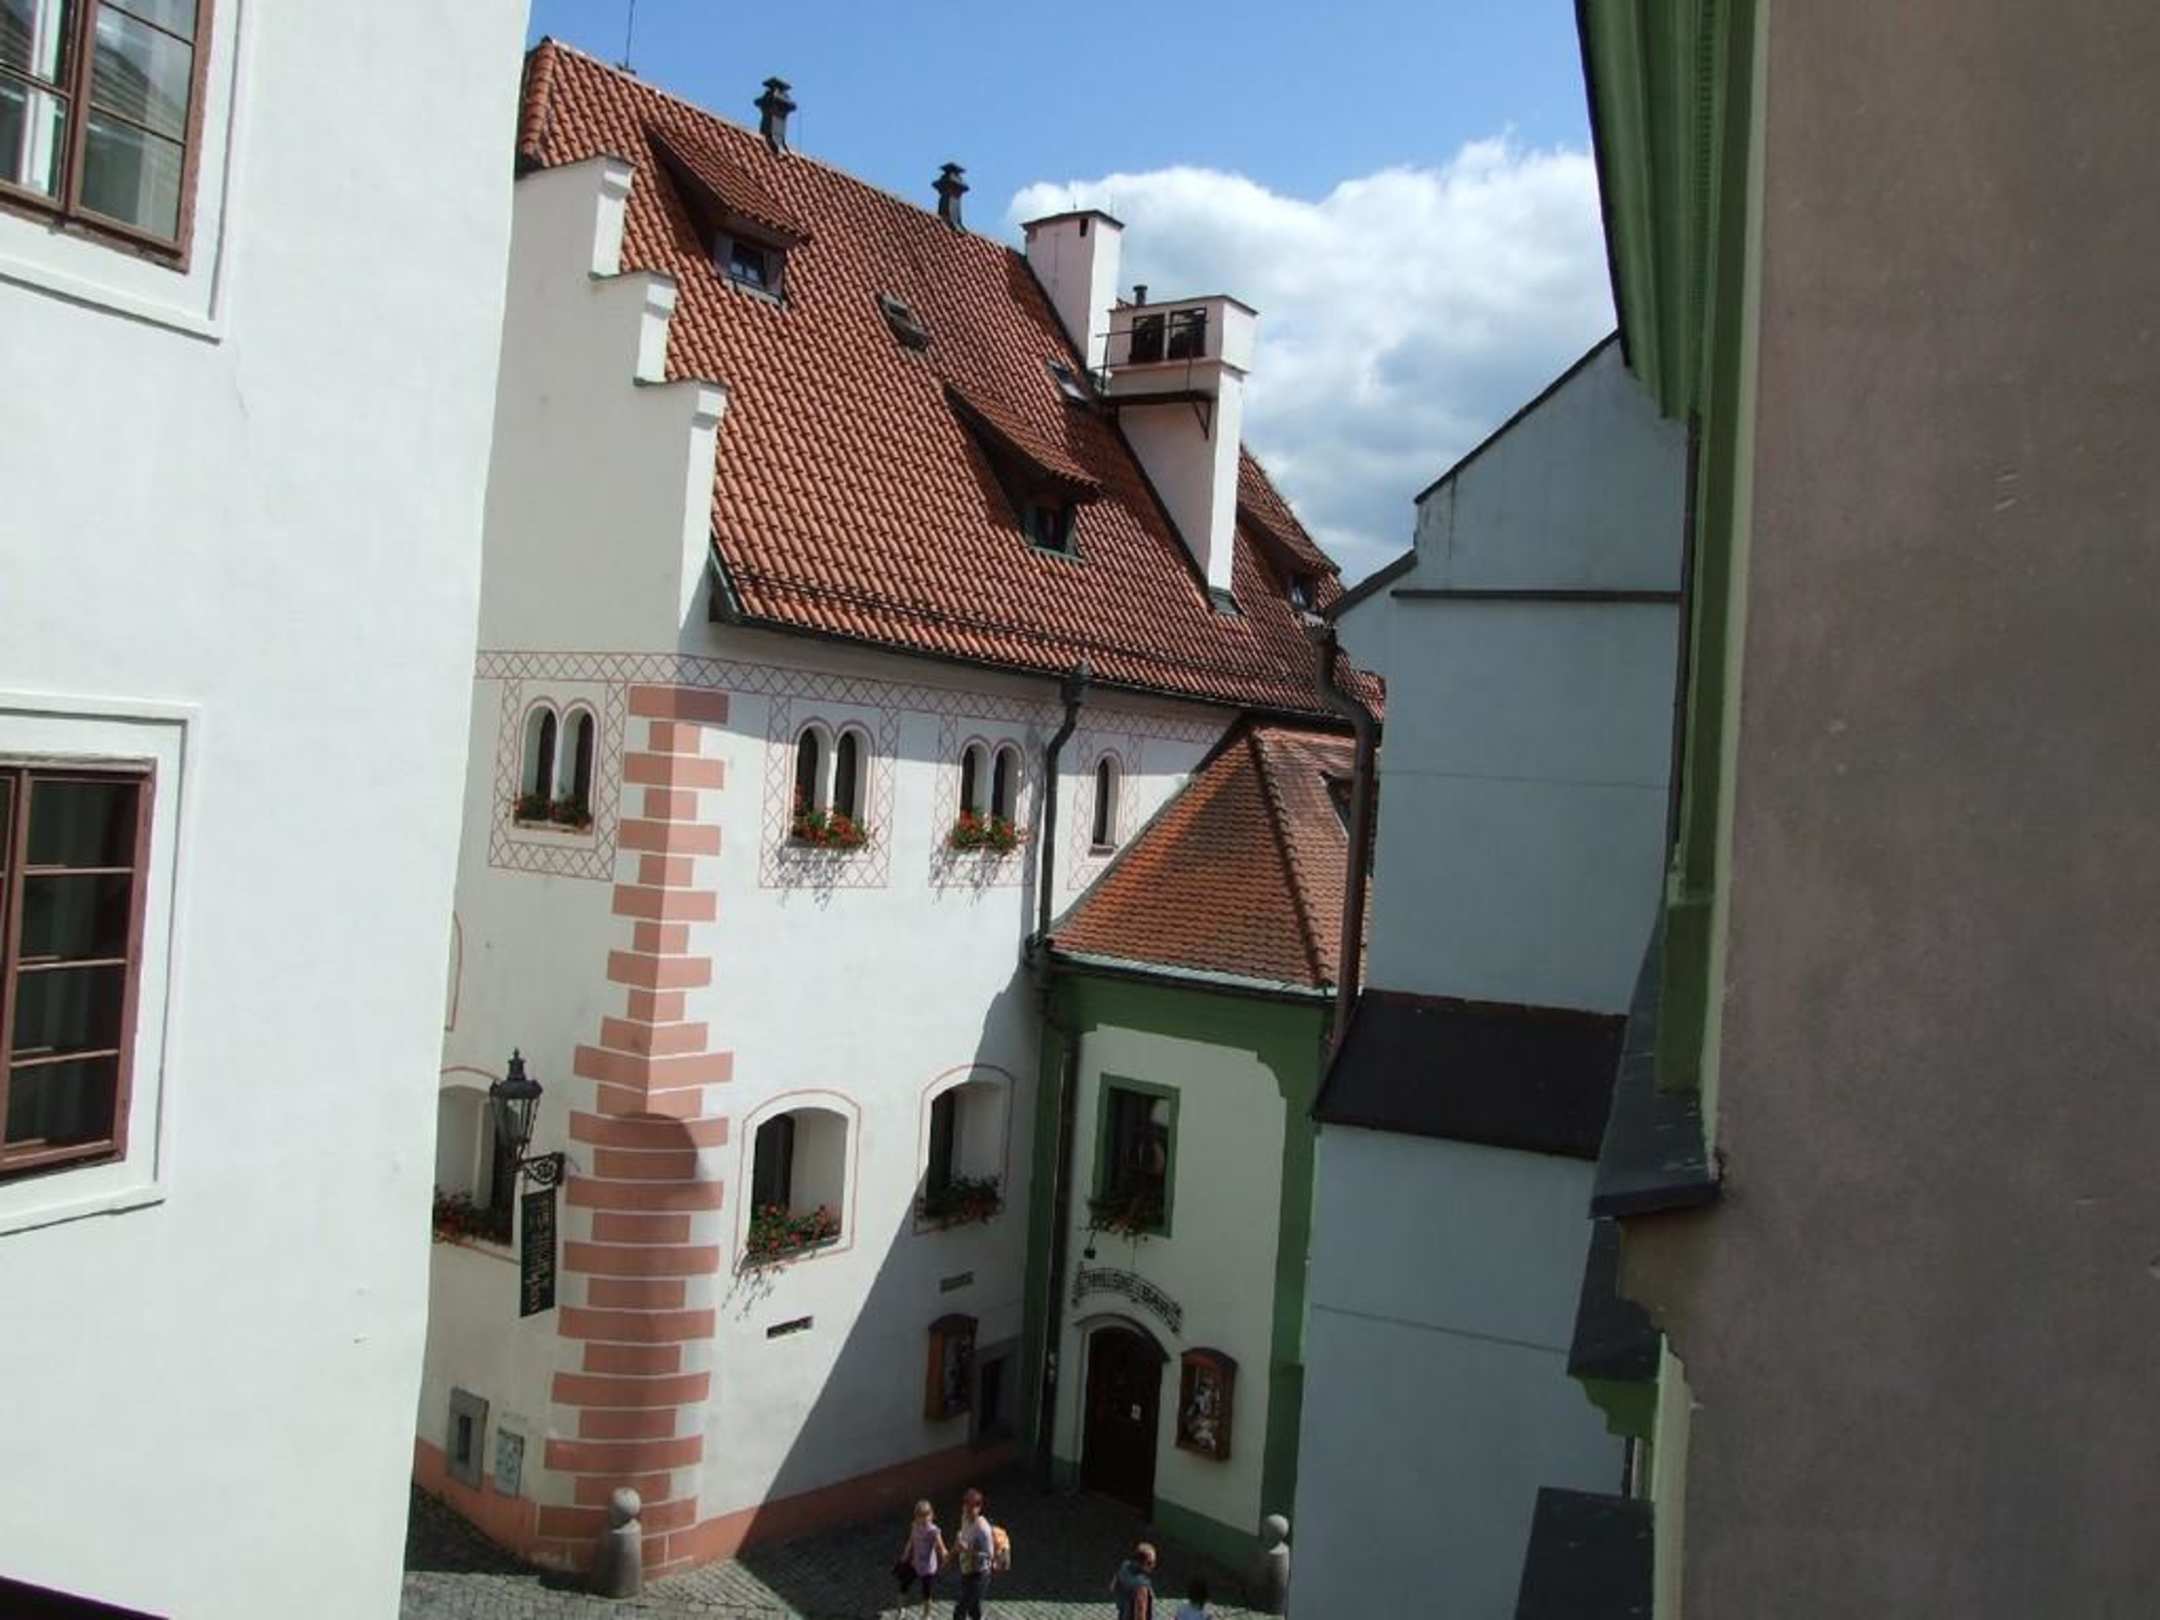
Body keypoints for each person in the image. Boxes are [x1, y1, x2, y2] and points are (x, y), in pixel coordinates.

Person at [899, 1498, 948, 1620]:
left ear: (931, 1515)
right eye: (921, 1516)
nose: (924, 1519)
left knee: (927, 1593)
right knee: (904, 1585)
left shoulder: (933, 1530)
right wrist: (906, 1553)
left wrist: (945, 1555)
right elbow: (911, 1540)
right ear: (916, 1516)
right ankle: (901, 1609)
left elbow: (941, 1546)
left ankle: (927, 1615)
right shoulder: (915, 1526)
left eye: (927, 1515)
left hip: (927, 1567)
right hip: (915, 1563)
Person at [950, 1485, 994, 1620]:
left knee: (960, 1611)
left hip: (979, 1575)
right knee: (973, 1609)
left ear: (979, 1507)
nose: (968, 1510)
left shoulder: (983, 1529)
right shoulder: (964, 1517)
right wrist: (958, 1540)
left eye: (972, 1507)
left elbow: (990, 1555)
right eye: (966, 1505)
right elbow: (963, 1533)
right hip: (966, 1569)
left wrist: (968, 1550)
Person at [1111, 1541, 1158, 1620]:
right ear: (1144, 1563)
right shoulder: (1141, 1585)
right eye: (1150, 1563)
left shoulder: (1124, 1567)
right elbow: (1140, 1611)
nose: (1153, 1566)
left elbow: (1112, 1586)